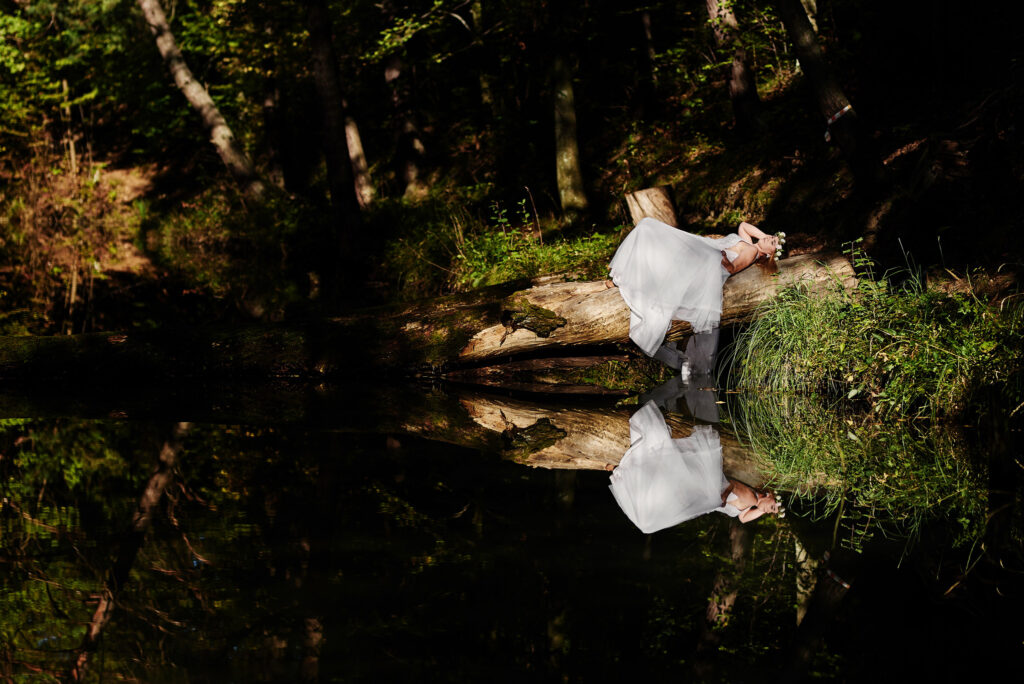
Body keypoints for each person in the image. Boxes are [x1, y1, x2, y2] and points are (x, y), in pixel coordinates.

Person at [605, 218, 780, 368]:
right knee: (648, 228)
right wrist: (765, 236)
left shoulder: (752, 251)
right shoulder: (750, 244)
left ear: (769, 254)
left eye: (773, 243)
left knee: (649, 228)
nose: (771, 238)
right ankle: (629, 276)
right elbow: (743, 225)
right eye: (772, 237)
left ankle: (626, 277)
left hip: (706, 258)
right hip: (704, 251)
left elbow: (732, 268)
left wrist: (720, 256)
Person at [608, 401, 783, 533]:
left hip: (704, 498)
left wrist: (762, 509)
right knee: (650, 518)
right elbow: (732, 486)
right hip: (707, 490)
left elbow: (744, 519)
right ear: (770, 495)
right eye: (773, 507)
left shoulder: (749, 506)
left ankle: (625, 470)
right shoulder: (751, 499)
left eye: (772, 512)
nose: (770, 511)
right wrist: (718, 498)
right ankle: (625, 470)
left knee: (655, 508)